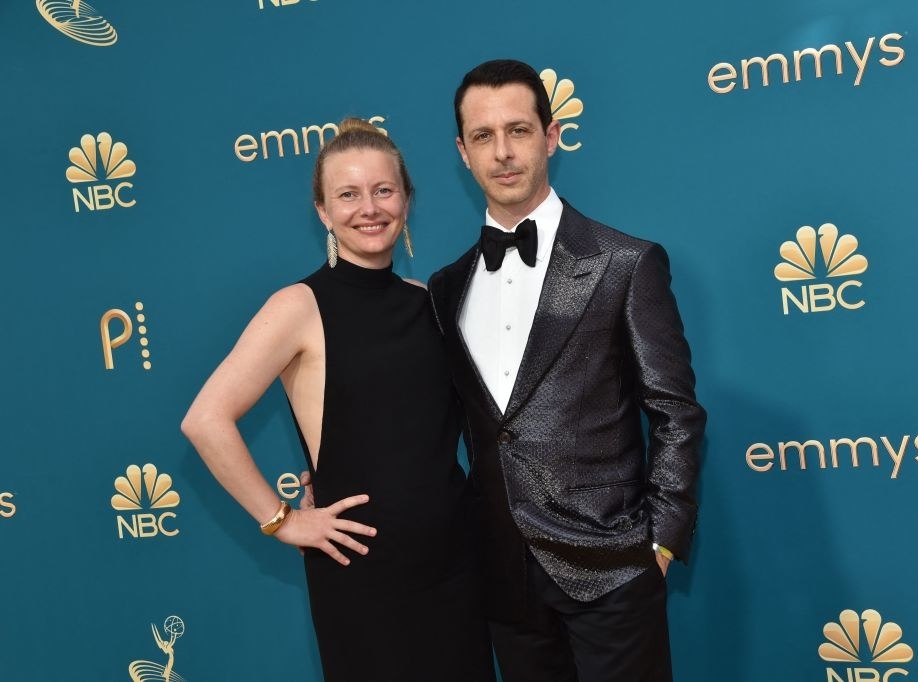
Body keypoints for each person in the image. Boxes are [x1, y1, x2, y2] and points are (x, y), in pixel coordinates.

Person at [181, 118, 494, 682]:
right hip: (362, 574)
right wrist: (282, 521)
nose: (368, 208)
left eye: (383, 190)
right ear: (323, 212)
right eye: (347, 195)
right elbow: (206, 420)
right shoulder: (298, 306)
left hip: (455, 559)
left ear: (406, 199)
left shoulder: (428, 301)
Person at [427, 60, 707, 682]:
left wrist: (656, 544)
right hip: (503, 579)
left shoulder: (624, 262)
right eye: (482, 136)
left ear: (551, 136)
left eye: (519, 130)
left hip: (611, 567)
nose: (502, 152)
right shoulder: (445, 289)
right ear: (462, 153)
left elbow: (676, 412)